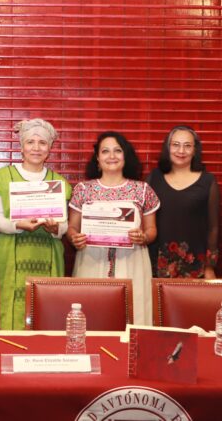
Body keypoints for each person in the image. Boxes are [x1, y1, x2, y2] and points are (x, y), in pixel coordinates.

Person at [0, 118, 72, 330]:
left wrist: (55, 228)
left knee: (46, 310)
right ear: (21, 146)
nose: (36, 147)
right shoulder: (3, 177)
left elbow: (64, 225)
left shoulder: (59, 182)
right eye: (30, 142)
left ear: (49, 148)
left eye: (42, 143)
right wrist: (19, 225)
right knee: (9, 310)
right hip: (10, 255)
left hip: (48, 254)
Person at [66, 131, 159, 325]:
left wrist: (143, 237)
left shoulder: (143, 190)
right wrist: (74, 237)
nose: (112, 156)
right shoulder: (83, 189)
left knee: (134, 316)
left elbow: (152, 230)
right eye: (105, 151)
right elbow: (72, 227)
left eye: (117, 150)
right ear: (97, 158)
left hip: (132, 262)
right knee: (91, 316)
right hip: (91, 261)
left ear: (126, 156)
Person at [147, 126, 219, 279]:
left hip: (195, 264)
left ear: (195, 150)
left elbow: (213, 227)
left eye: (187, 146)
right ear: (168, 147)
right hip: (156, 263)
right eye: (176, 145)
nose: (181, 151)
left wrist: (210, 266)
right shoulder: (154, 178)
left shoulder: (208, 181)